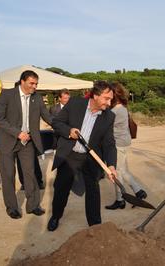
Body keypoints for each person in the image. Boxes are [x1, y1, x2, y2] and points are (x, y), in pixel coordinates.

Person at [47, 81, 117, 231]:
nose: (109, 103)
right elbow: (57, 122)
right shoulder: (75, 104)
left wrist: (111, 166)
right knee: (61, 188)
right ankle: (56, 216)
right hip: (70, 155)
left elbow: (109, 144)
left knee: (93, 191)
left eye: (111, 99)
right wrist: (69, 130)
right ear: (96, 96)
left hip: (91, 158)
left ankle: (95, 225)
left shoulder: (109, 117)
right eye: (106, 98)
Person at [0, 70, 51, 219]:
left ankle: (33, 205)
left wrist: (66, 126)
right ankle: (12, 207)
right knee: (8, 175)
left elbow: (48, 116)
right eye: (32, 83)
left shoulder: (36, 98)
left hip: (27, 143)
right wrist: (17, 133)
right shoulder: (7, 94)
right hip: (7, 141)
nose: (35, 86)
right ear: (22, 81)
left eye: (36, 84)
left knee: (30, 174)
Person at [105, 82, 147, 210]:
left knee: (118, 172)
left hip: (118, 143)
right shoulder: (122, 107)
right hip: (123, 142)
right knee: (123, 170)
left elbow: (106, 128)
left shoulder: (115, 111)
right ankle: (134, 194)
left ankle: (125, 198)